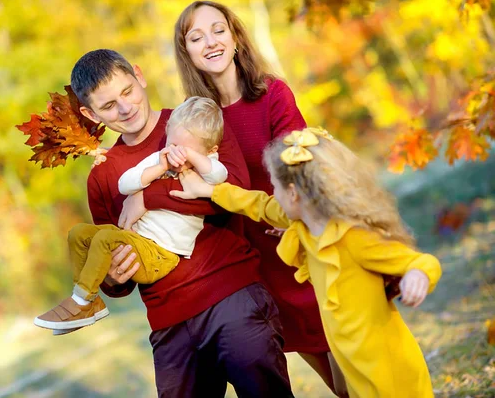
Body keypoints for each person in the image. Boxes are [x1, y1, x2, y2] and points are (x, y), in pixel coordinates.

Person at [69, 49, 294, 397]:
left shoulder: (198, 122)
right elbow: (118, 273)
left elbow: (235, 192)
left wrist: (148, 197)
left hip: (231, 295)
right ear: (89, 113)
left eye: (127, 91)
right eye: (109, 105)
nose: (125, 108)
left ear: (139, 76)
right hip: (169, 324)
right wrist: (111, 279)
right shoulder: (102, 175)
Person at [172, 127, 442, 398]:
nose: (272, 193)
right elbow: (258, 204)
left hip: (390, 370)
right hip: (356, 369)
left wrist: (416, 274)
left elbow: (419, 261)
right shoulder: (304, 227)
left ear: (293, 194)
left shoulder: (353, 237)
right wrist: (208, 190)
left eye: (275, 187)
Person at [173, 1, 347, 394]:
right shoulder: (195, 119)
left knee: (354, 374)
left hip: (300, 243)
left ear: (235, 37)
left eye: (218, 30)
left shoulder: (271, 94)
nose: (211, 42)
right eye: (196, 37)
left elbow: (300, 165)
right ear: (187, 52)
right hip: (259, 266)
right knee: (333, 380)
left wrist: (284, 211)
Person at [33, 96, 229, 332]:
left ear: (209, 150)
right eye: (173, 145)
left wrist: (192, 157)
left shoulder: (209, 163)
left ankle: (80, 302)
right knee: (79, 233)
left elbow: (219, 176)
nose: (177, 154)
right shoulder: (161, 159)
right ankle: (87, 300)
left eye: (186, 149)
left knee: (105, 239)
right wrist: (159, 167)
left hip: (163, 253)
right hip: (138, 242)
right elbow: (125, 184)